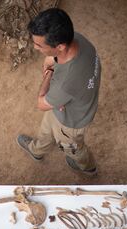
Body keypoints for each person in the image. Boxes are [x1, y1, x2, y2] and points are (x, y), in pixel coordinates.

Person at [17, 8, 101, 176]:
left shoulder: (65, 83)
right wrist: (52, 62)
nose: (35, 48)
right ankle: (37, 150)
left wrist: (49, 74)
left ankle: (88, 167)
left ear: (60, 46)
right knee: (47, 129)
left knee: (73, 148)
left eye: (39, 45)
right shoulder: (79, 39)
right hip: (67, 104)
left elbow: (41, 103)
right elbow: (51, 59)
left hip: (71, 122)